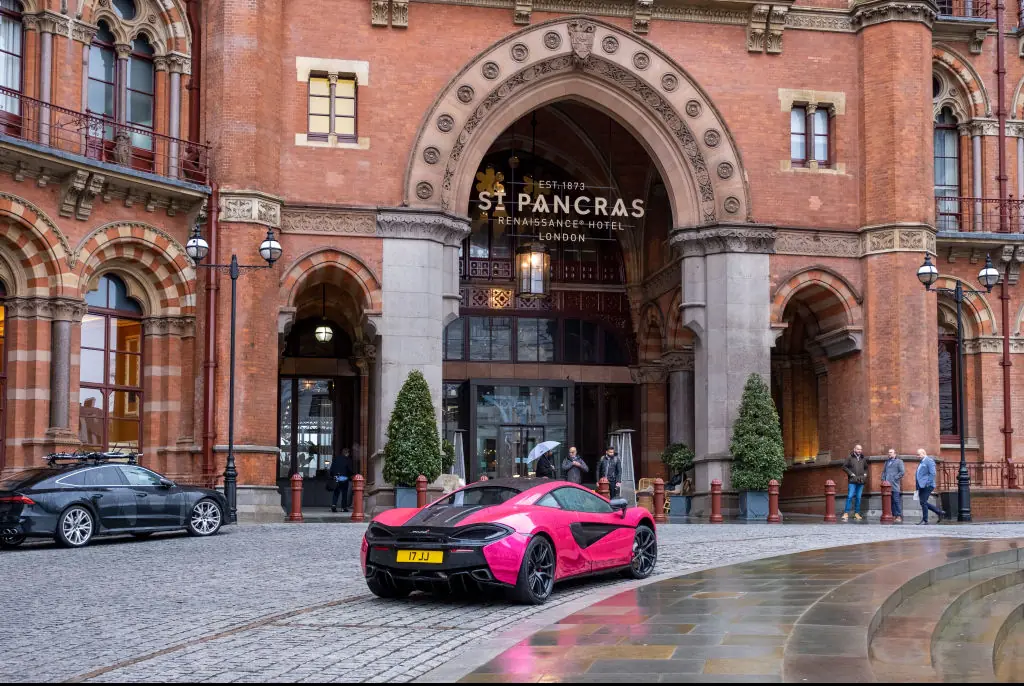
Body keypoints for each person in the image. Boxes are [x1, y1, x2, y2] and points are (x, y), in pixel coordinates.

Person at [915, 448, 945, 525]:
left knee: (923, 502)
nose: (917, 456)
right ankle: (939, 512)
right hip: (921, 486)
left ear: (923, 453)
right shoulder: (922, 462)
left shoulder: (929, 461)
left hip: (927, 485)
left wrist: (927, 483)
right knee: (923, 502)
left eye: (918, 455)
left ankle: (925, 520)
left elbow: (933, 473)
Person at [841, 444, 868, 522]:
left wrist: (865, 474)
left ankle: (856, 513)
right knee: (850, 496)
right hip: (852, 481)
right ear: (854, 449)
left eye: (861, 449)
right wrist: (851, 474)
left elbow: (866, 467)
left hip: (861, 480)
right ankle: (846, 513)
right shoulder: (850, 457)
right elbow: (844, 467)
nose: (860, 451)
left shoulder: (863, 458)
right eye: (858, 449)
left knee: (858, 497)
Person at [881, 448, 906, 523]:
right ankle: (893, 515)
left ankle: (898, 516)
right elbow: (884, 472)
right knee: (890, 501)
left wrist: (895, 478)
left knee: (896, 500)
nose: (889, 454)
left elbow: (902, 472)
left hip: (894, 485)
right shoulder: (886, 462)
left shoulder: (899, 461)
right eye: (889, 452)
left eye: (891, 452)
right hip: (886, 486)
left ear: (895, 454)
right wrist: (883, 479)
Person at [330, 448, 354, 513]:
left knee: (336, 492)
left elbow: (331, 469)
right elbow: (350, 470)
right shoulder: (348, 460)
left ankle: (334, 505)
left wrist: (333, 476)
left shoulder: (336, 459)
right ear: (347, 453)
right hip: (344, 478)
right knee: (344, 493)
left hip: (336, 477)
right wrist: (351, 475)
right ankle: (343, 508)